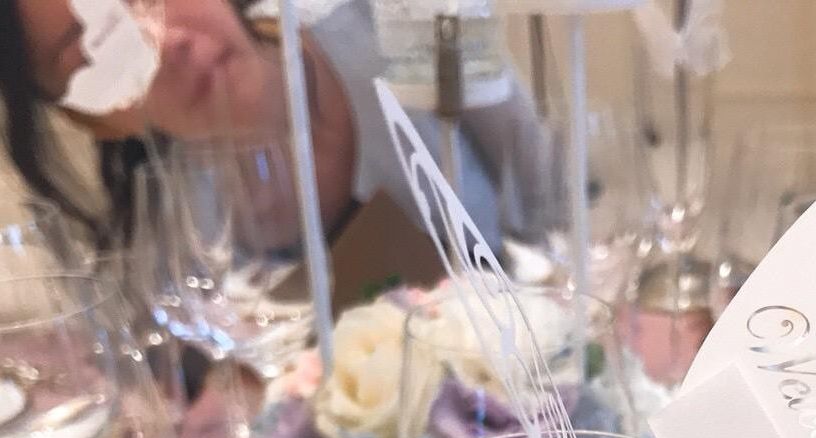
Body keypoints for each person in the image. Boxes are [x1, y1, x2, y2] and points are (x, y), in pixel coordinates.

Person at [0, 0, 531, 257]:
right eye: (96, 54)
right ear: (93, 120)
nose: (165, 43)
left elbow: (551, 196)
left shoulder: (392, 18)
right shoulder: (175, 253)